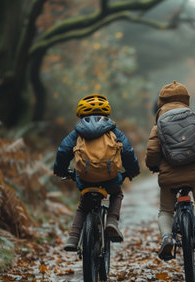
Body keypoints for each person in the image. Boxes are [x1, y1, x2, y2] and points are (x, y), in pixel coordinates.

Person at [145, 80, 195, 260]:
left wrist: (153, 166)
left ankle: (166, 238)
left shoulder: (159, 126)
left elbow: (152, 151)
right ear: (186, 100)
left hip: (169, 178)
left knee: (165, 210)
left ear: (160, 102)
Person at [53, 94, 140, 251]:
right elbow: (127, 151)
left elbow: (64, 150)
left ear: (81, 114)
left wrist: (61, 170)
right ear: (106, 113)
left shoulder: (77, 132)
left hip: (86, 179)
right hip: (110, 178)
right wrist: (132, 171)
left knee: (84, 206)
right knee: (116, 194)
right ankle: (112, 222)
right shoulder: (114, 132)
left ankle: (73, 238)